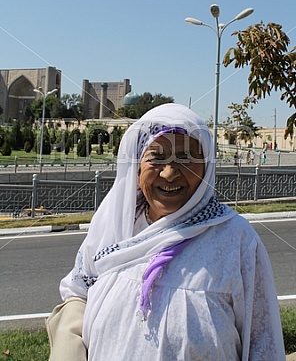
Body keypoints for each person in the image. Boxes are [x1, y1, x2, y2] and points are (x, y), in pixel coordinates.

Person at [46, 103, 285, 361]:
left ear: (206, 165)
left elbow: (263, 342)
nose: (170, 173)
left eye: (185, 157)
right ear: (137, 166)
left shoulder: (236, 240)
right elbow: (78, 292)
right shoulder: (115, 227)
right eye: (156, 158)